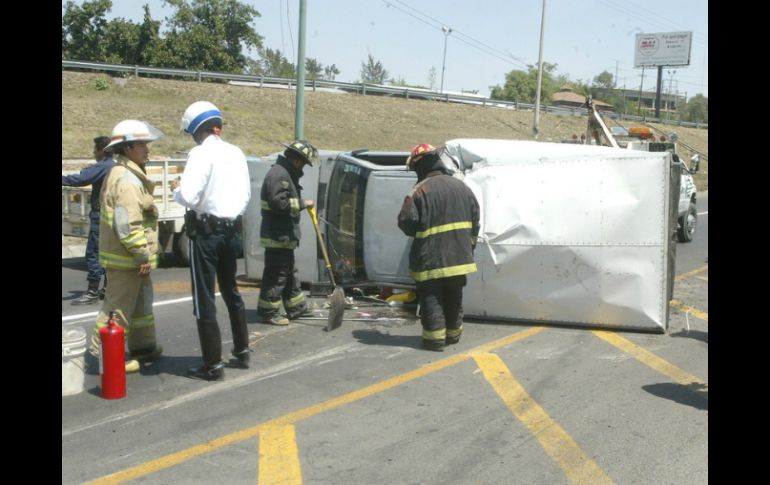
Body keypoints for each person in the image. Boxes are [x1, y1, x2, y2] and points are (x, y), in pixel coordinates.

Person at [173, 101, 251, 381]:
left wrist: (177, 191)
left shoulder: (199, 153)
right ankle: (242, 351)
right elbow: (245, 195)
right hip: (232, 231)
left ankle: (212, 365)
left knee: (204, 296)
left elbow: (191, 196)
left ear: (196, 130)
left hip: (206, 233)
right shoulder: (236, 152)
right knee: (231, 289)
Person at [89, 120, 164, 373]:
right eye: (142, 144)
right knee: (117, 308)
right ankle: (105, 357)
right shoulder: (126, 179)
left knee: (141, 306)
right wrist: (142, 254)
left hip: (132, 259)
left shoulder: (129, 173)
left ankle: (144, 347)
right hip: (127, 259)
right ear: (128, 148)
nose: (147, 149)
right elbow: (127, 224)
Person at [397, 143, 480, 351]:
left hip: (430, 258)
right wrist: (469, 248)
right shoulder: (463, 187)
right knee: (454, 296)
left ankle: (434, 339)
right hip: (460, 258)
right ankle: (453, 334)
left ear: (420, 166)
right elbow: (475, 221)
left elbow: (406, 223)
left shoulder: (419, 191)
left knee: (431, 298)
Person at [256, 140, 318, 326]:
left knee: (289, 273)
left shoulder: (285, 173)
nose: (302, 167)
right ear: (296, 159)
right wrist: (302, 203)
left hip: (284, 235)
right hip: (277, 236)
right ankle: (269, 311)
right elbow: (279, 203)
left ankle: (297, 308)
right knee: (276, 275)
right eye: (303, 162)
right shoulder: (279, 175)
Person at [62, 136, 115, 305]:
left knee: (93, 253)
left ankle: (92, 292)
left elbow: (80, 179)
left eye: (95, 150)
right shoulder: (115, 165)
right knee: (108, 254)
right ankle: (107, 289)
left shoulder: (104, 165)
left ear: (102, 151)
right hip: (111, 216)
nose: (94, 153)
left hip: (100, 217)